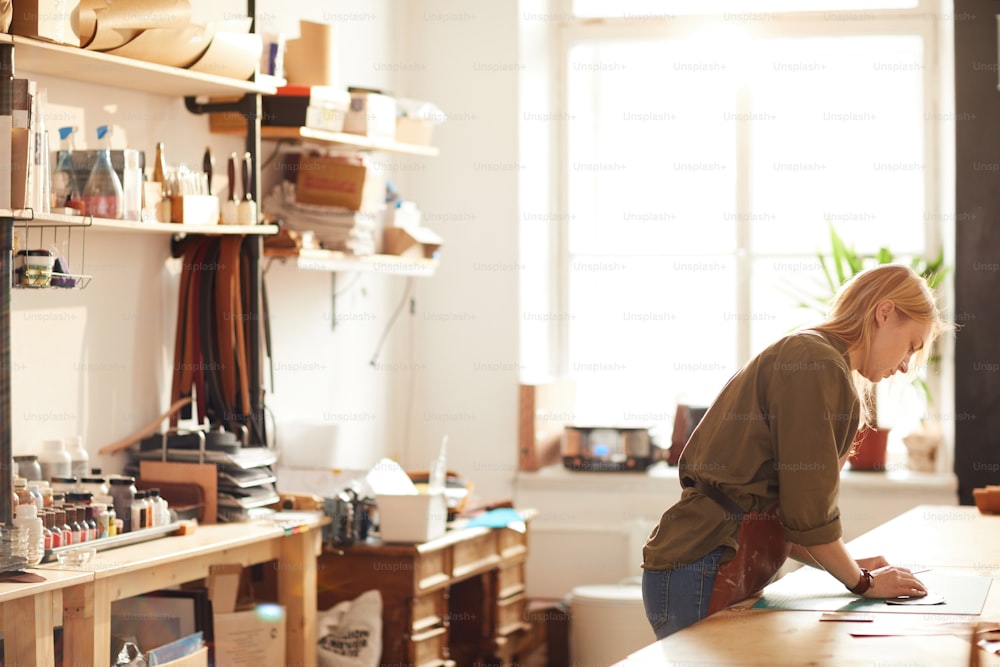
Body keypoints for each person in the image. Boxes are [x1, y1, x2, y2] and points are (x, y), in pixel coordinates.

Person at [641, 263, 949, 640]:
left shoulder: (822, 362)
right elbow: (809, 521)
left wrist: (851, 566)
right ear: (884, 313)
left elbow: (795, 525)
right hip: (702, 562)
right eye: (911, 346)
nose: (904, 366)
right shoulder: (814, 360)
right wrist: (863, 581)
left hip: (707, 563)